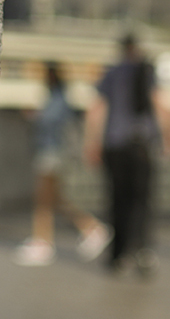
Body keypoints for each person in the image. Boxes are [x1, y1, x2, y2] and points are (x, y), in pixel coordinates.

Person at [84, 34, 170, 274]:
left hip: (115, 146)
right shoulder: (146, 73)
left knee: (117, 199)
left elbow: (96, 110)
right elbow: (161, 106)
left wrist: (91, 142)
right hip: (141, 146)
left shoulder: (112, 74)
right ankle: (142, 250)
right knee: (142, 200)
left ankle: (117, 254)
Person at [13, 63, 112, 266]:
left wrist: (35, 116)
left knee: (44, 199)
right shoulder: (56, 95)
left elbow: (51, 120)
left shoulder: (58, 97)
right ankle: (88, 228)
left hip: (52, 151)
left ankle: (46, 240)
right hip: (51, 151)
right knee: (52, 198)